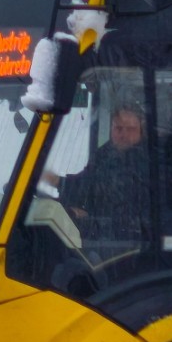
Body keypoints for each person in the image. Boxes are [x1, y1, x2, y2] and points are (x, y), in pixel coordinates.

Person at [50, 103, 152, 244]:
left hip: (131, 245)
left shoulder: (149, 163)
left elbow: (134, 221)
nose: (123, 135)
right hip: (100, 239)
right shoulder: (103, 155)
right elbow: (86, 184)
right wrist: (58, 182)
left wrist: (89, 220)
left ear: (142, 131)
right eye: (118, 128)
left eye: (131, 129)